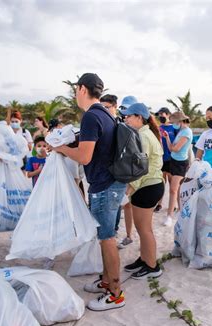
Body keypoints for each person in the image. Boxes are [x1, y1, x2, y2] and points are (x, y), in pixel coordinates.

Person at [52, 73, 126, 311]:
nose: (75, 94)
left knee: (107, 239)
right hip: (113, 182)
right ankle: (106, 281)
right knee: (107, 236)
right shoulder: (106, 113)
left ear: (82, 89)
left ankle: (115, 294)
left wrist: (62, 148)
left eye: (76, 90)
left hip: (104, 186)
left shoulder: (91, 117)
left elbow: (84, 157)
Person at [120, 103, 164, 279]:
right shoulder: (144, 133)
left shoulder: (143, 136)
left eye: (129, 116)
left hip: (148, 186)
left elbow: (141, 168)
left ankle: (152, 267)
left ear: (139, 117)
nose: (126, 119)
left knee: (144, 229)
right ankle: (145, 259)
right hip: (149, 185)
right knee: (142, 228)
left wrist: (129, 188)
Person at [101, 95, 138, 249]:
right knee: (123, 205)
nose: (125, 114)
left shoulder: (136, 128)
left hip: (132, 173)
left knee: (130, 206)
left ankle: (130, 235)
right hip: (122, 171)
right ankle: (123, 233)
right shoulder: (118, 123)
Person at [161, 111, 193, 227]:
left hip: (180, 164)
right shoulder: (181, 131)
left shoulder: (187, 132)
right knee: (178, 190)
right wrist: (167, 137)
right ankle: (181, 211)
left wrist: (172, 146)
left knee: (173, 190)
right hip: (173, 161)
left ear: (180, 121)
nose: (173, 124)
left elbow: (176, 149)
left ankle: (169, 216)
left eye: (174, 122)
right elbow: (171, 148)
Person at [154, 107, 176, 212]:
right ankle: (159, 204)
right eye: (159, 115)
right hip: (161, 159)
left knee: (173, 184)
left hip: (172, 159)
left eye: (162, 115)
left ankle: (173, 205)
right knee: (161, 182)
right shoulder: (158, 128)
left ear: (167, 114)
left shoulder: (174, 128)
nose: (160, 117)